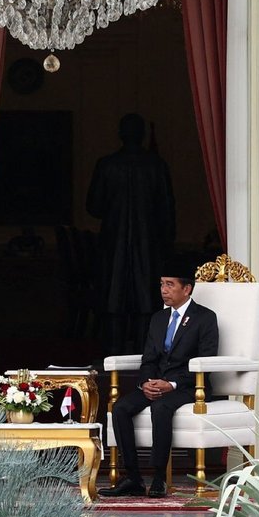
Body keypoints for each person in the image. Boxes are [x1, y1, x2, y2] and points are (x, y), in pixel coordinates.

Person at [99, 262, 218, 499]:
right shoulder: (158, 318)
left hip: (189, 386)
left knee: (161, 407)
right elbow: (149, 358)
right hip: (155, 383)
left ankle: (159, 477)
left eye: (170, 284)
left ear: (187, 289)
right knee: (120, 408)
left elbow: (206, 360)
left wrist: (172, 384)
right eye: (162, 284)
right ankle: (132, 477)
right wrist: (146, 382)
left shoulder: (205, 318)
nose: (164, 289)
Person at [86, 113, 176, 355]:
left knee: (113, 301)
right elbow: (167, 211)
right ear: (143, 134)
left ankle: (112, 356)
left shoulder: (107, 165)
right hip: (148, 246)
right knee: (146, 302)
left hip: (113, 245)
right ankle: (143, 356)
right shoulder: (156, 165)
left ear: (120, 134)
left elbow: (93, 207)